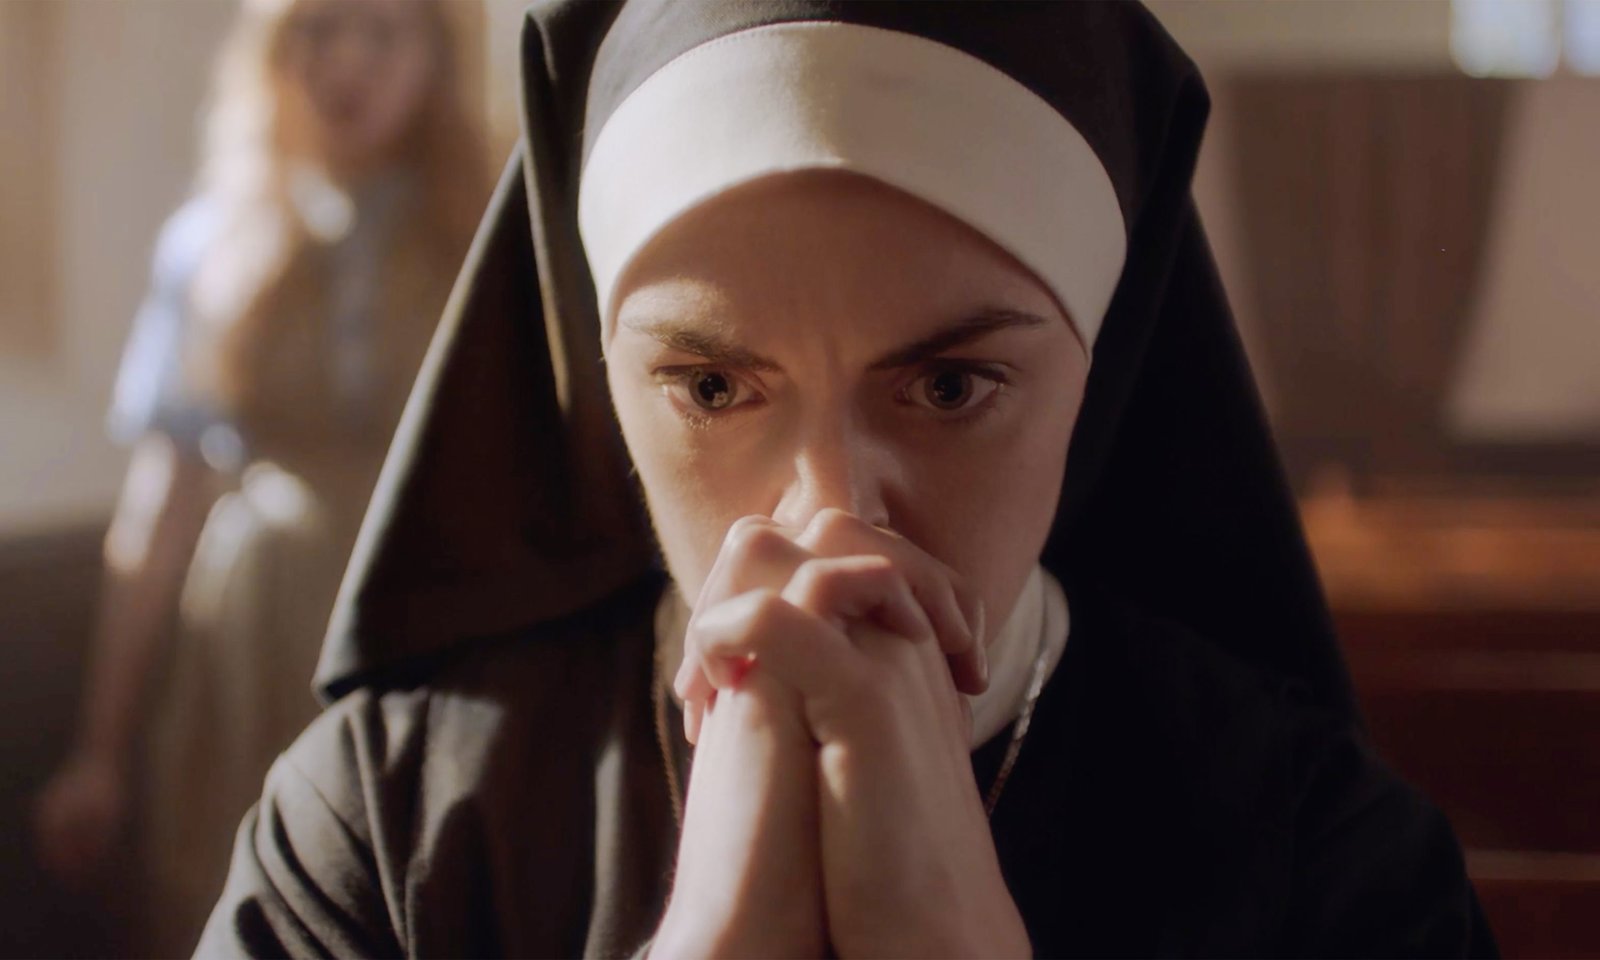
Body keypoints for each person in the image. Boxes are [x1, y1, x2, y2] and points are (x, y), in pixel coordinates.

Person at [198, 2, 1498, 957]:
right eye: (713, 388)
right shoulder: (384, 827)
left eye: (950, 387)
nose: (832, 520)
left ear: (1097, 371)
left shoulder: (1327, 861)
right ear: (604, 381)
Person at [32, 0, 484, 954]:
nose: (347, 61)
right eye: (318, 30)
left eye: (383, 34)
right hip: (254, 629)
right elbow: (163, 505)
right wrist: (99, 751)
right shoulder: (215, 241)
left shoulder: (482, 230)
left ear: (433, 59)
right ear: (273, 55)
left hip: (428, 616)